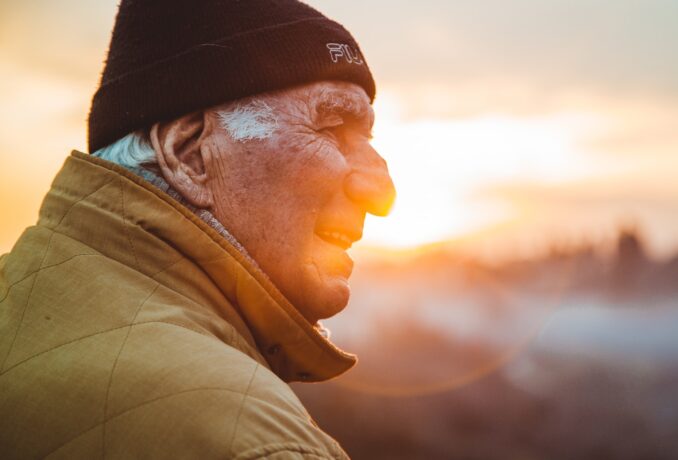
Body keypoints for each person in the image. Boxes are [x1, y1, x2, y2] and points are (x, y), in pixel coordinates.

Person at [0, 1, 394, 458]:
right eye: (330, 128)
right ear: (189, 156)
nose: (381, 191)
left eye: (368, 140)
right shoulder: (259, 442)